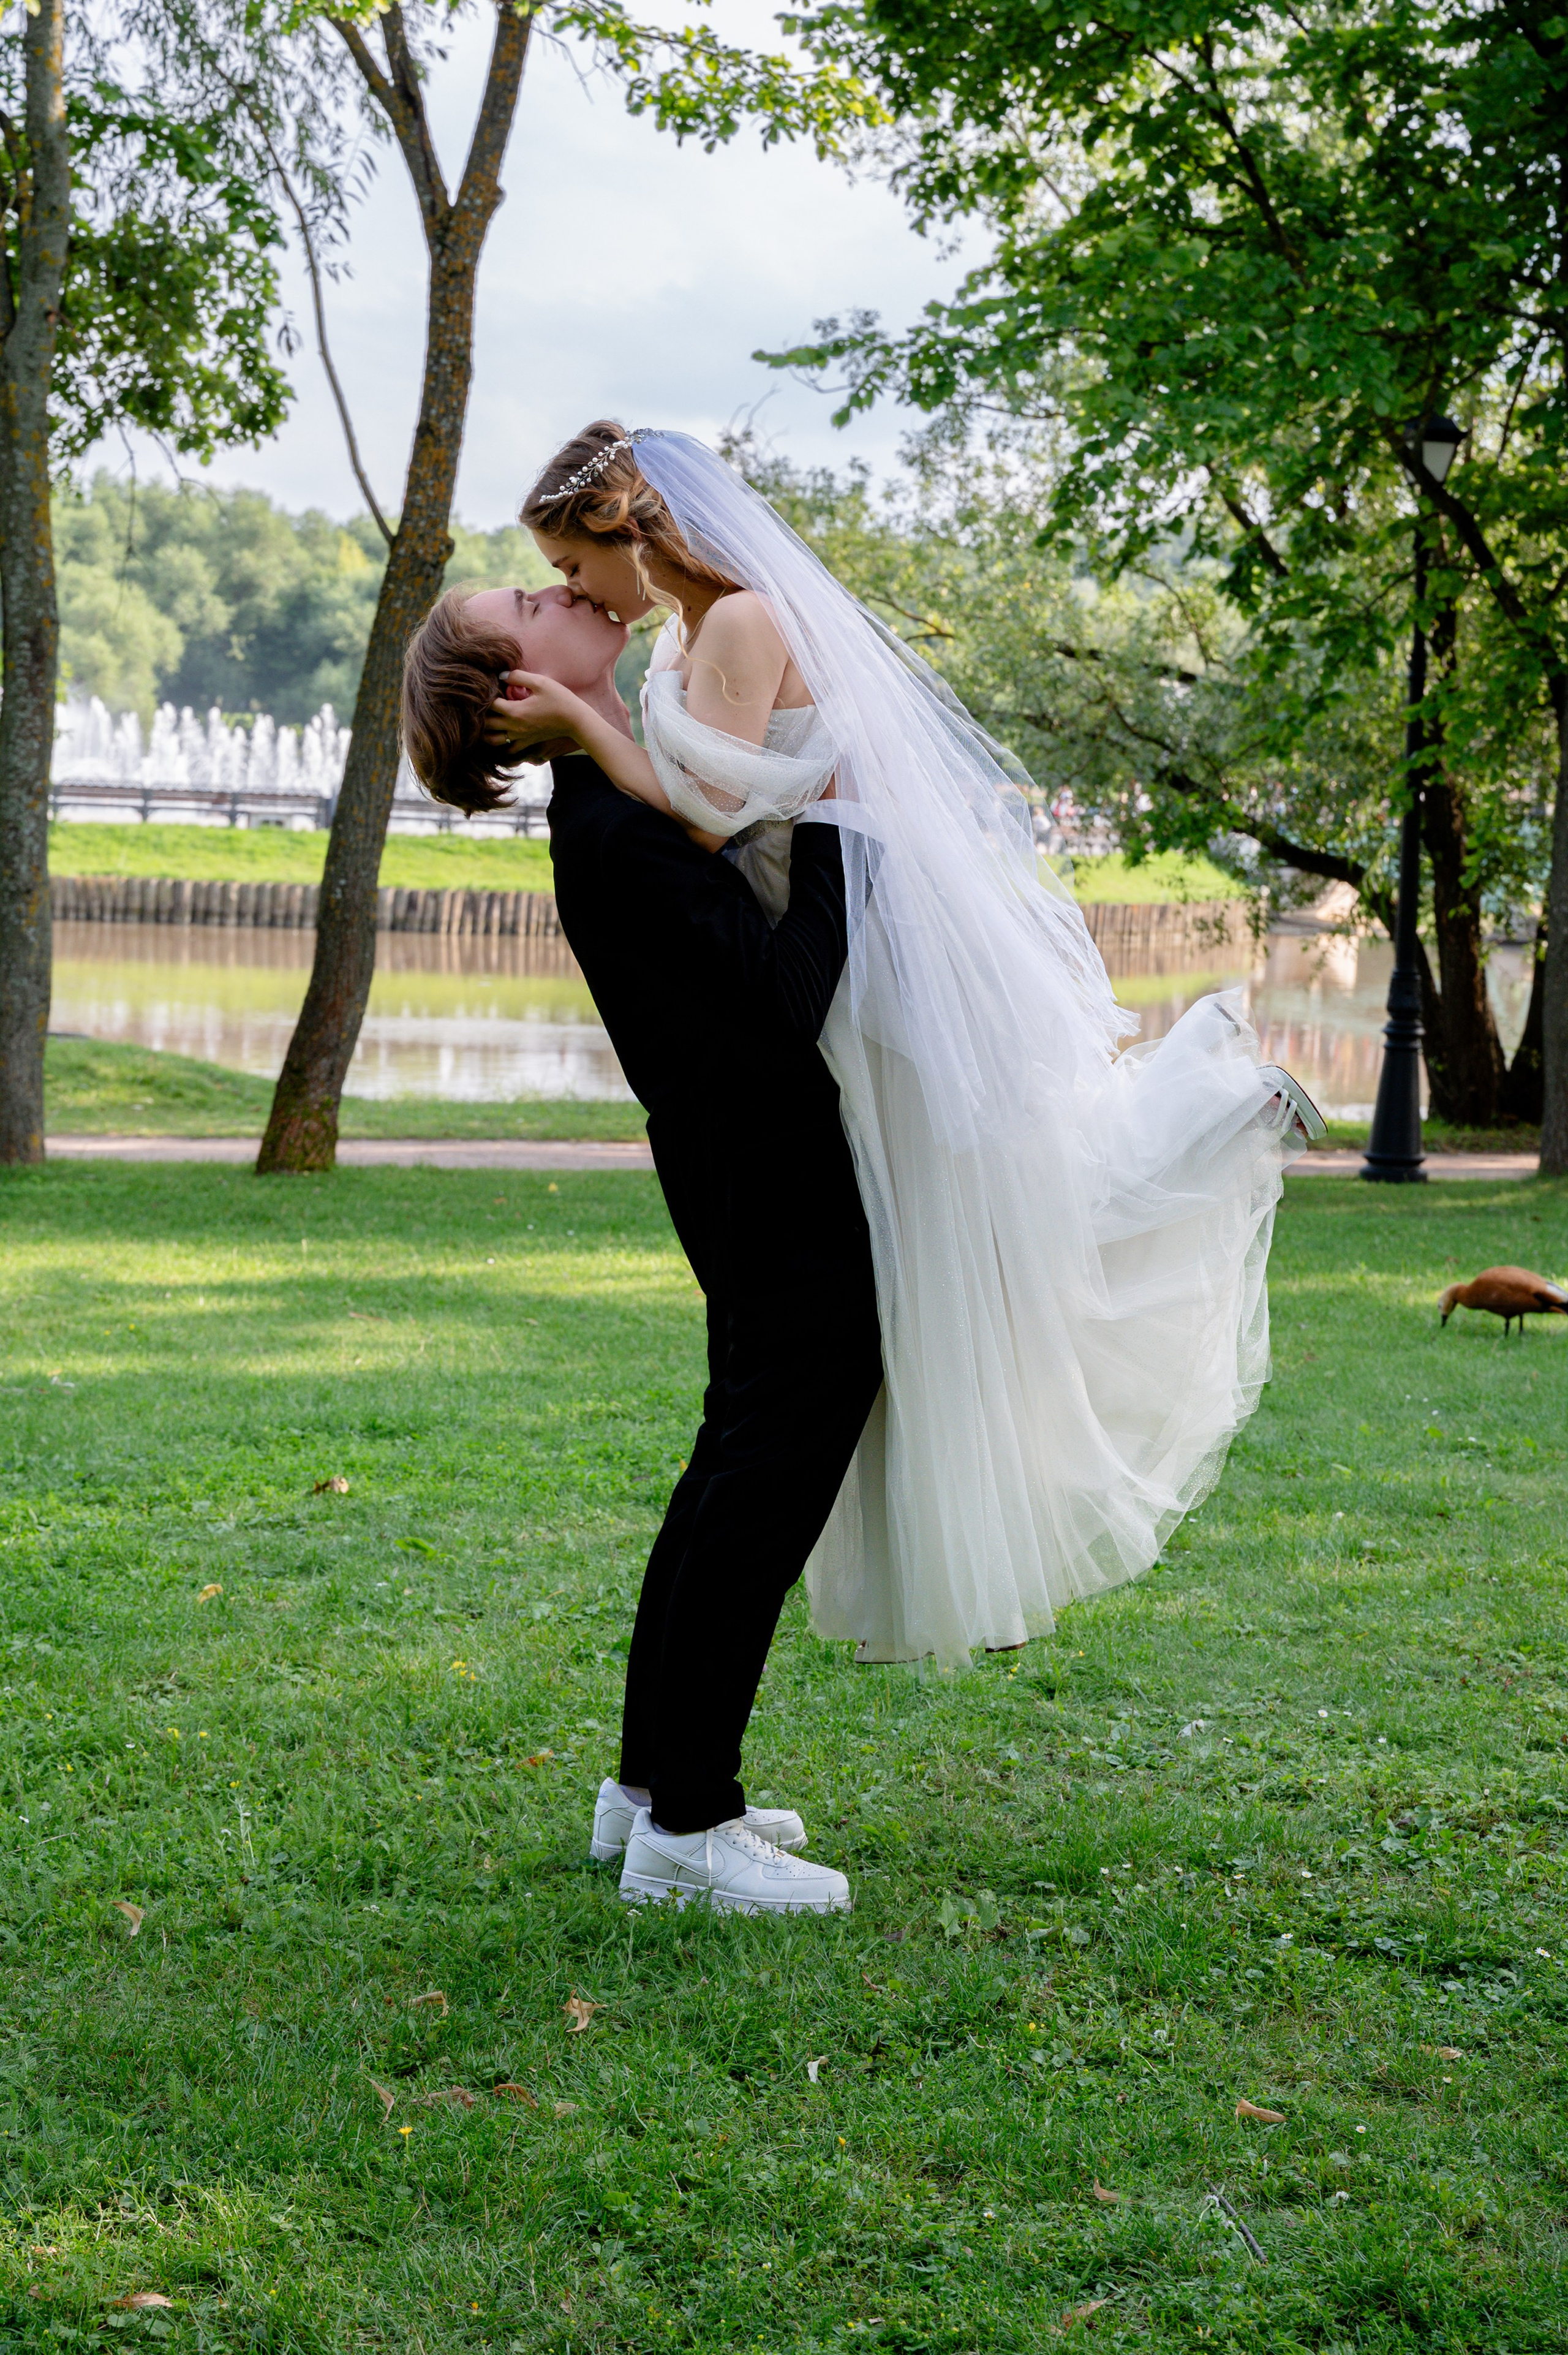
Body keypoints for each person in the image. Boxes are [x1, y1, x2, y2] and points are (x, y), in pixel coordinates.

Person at [443, 422, 1325, 1679]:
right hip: (815, 946)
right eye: (559, 585)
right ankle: (990, 1516)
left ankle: (1215, 1100)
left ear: (636, 533)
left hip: (850, 955)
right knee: (954, 1231)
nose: (581, 595)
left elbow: (713, 818)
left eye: (577, 570)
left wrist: (592, 738)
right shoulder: (693, 636)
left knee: (994, 1205)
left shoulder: (740, 622)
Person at [403, 581, 883, 1916]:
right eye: (520, 600)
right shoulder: (614, 826)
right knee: (758, 1487)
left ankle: (646, 1790)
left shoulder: (623, 796)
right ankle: (689, 1828)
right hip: (767, 1179)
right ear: (516, 687)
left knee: (729, 1468)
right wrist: (847, 812)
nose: (554, 583)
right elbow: (790, 991)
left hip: (742, 1171)